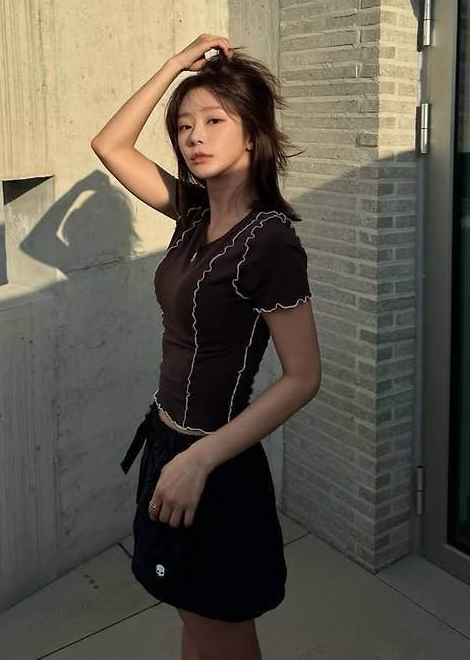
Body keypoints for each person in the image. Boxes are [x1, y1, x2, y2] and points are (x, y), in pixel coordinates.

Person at [91, 34, 321, 660]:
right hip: (166, 442)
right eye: (184, 125)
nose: (195, 135)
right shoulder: (192, 213)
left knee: (222, 631)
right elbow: (110, 145)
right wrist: (174, 66)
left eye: (215, 120)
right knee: (193, 617)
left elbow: (303, 377)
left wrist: (199, 461)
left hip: (215, 459)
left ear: (252, 133)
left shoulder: (269, 241)